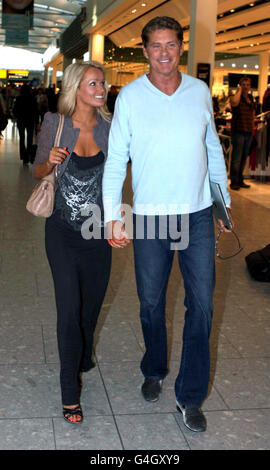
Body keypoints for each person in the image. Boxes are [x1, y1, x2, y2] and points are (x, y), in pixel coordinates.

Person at [103, 16, 233, 433]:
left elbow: (212, 147)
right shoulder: (130, 98)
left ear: (181, 46)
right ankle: (154, 367)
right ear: (145, 51)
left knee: (203, 305)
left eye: (171, 44)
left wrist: (222, 203)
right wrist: (111, 216)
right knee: (151, 303)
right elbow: (114, 163)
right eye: (156, 46)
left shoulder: (198, 93)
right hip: (150, 218)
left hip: (196, 215)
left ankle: (190, 395)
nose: (164, 53)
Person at [33, 61, 112, 424]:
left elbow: (119, 178)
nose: (101, 89)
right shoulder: (56, 123)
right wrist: (47, 162)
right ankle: (69, 392)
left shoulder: (111, 128)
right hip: (62, 232)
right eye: (94, 83)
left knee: (89, 311)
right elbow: (36, 170)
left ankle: (82, 352)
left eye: (103, 83)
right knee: (68, 311)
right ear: (77, 88)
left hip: (97, 235)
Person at [229, 76, 255, 190]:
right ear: (240, 86)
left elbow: (252, 114)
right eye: (243, 84)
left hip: (248, 131)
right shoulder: (235, 97)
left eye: (248, 85)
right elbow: (234, 103)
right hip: (238, 131)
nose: (246, 87)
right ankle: (234, 181)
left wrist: (253, 128)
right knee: (236, 158)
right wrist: (239, 90)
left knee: (244, 157)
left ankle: (240, 180)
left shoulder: (250, 98)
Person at [13, 84, 38, 165]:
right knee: (30, 139)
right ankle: (30, 156)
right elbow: (36, 112)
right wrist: (37, 122)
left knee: (22, 138)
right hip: (30, 121)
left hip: (21, 121)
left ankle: (24, 157)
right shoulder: (32, 99)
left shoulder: (18, 99)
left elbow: (15, 110)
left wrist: (18, 116)